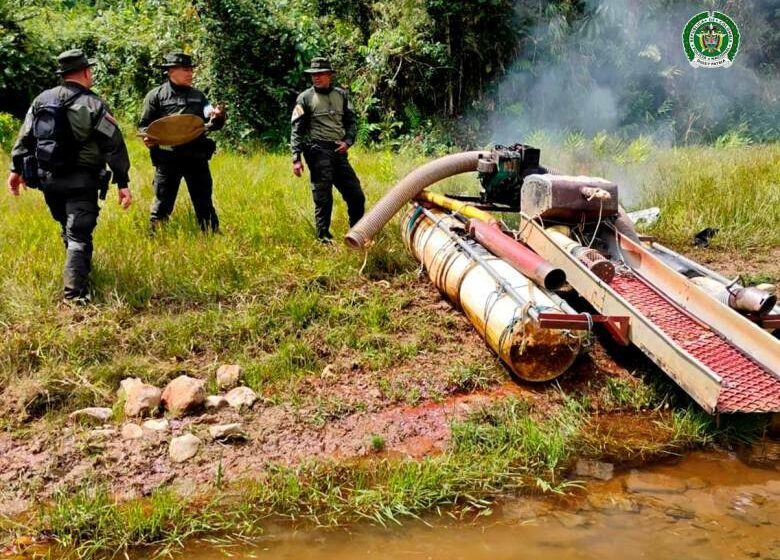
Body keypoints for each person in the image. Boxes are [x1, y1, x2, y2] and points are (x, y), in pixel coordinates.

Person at [7, 49, 132, 302]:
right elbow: (114, 145)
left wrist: (15, 169)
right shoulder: (94, 104)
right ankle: (75, 296)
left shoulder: (41, 100)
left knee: (68, 227)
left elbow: (25, 136)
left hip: (48, 180)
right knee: (79, 235)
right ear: (86, 71)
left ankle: (78, 272)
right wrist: (123, 182)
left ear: (63, 74)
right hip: (82, 181)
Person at [139, 50, 225, 233]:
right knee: (162, 202)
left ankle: (211, 234)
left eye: (191, 70)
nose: (190, 74)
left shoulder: (199, 96)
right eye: (185, 69)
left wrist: (218, 117)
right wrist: (148, 138)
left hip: (196, 157)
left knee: (203, 200)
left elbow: (211, 123)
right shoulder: (156, 96)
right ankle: (156, 237)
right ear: (171, 71)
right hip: (168, 158)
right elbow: (144, 126)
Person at [291, 57, 365, 242]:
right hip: (317, 151)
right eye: (313, 75)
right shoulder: (305, 98)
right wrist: (296, 158)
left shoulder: (341, 95)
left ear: (329, 75)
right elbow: (296, 129)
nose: (316, 78)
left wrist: (348, 141)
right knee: (323, 198)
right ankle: (323, 237)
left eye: (321, 74)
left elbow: (352, 122)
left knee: (356, 195)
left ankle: (356, 233)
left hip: (338, 151)